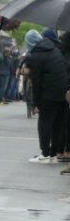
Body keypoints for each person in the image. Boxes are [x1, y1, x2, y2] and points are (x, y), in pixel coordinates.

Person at [23, 28, 68, 164]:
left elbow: (36, 82)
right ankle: (54, 153)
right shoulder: (54, 50)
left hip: (48, 93)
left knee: (44, 123)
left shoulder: (37, 55)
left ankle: (45, 153)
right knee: (58, 124)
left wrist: (36, 104)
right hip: (62, 92)